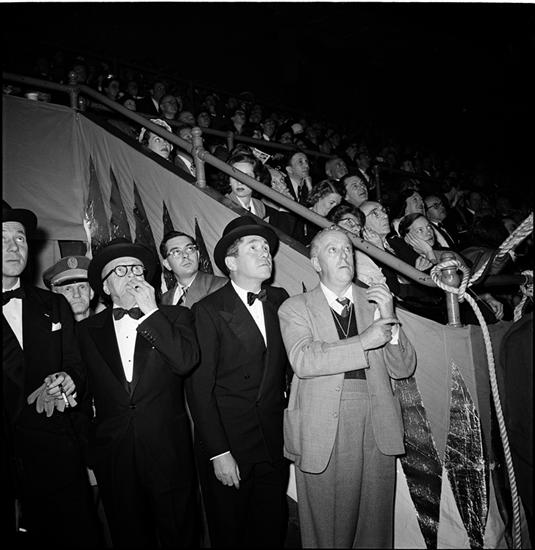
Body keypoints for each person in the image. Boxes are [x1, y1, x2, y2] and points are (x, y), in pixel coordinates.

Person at [278, 226, 416, 548]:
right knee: (329, 533)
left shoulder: (374, 304)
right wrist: (364, 341)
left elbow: (403, 368)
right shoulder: (295, 306)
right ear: (316, 263)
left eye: (347, 250)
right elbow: (304, 360)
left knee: (374, 531)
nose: (344, 256)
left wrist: (390, 317)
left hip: (377, 424)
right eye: (333, 250)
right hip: (322, 428)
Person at [77, 238, 200, 548]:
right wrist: (92, 448)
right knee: (128, 535)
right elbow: (82, 391)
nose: (131, 275)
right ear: (105, 287)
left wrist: (151, 312)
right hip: (113, 456)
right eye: (120, 271)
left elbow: (185, 362)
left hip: (168, 452)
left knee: (180, 533)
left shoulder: (176, 317)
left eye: (137, 269)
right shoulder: (86, 331)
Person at [186, 216, 290, 548]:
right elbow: (199, 389)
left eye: (266, 248)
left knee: (272, 527)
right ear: (231, 263)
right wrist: (219, 452)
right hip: (230, 443)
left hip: (273, 440)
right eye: (253, 247)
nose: (265, 253)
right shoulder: (208, 310)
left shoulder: (280, 299)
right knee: (232, 531)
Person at [2, 201, 100, 547]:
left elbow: (76, 365)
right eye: (2, 239)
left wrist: (70, 380)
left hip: (56, 451)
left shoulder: (53, 304)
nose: (14, 246)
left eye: (19, 238)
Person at [160, 230, 227, 307]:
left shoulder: (221, 286)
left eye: (189, 248)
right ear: (167, 264)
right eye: (176, 252)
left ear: (198, 255)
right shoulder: (165, 300)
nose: (185, 255)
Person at [42, 255, 93, 321]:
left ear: (91, 292)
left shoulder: (106, 323)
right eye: (68, 289)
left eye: (82, 287)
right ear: (56, 293)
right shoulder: (44, 326)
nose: (76, 295)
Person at [225, 152, 268, 219]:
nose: (239, 182)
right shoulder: (223, 204)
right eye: (234, 176)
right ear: (229, 180)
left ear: (257, 180)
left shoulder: (260, 205)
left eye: (246, 176)